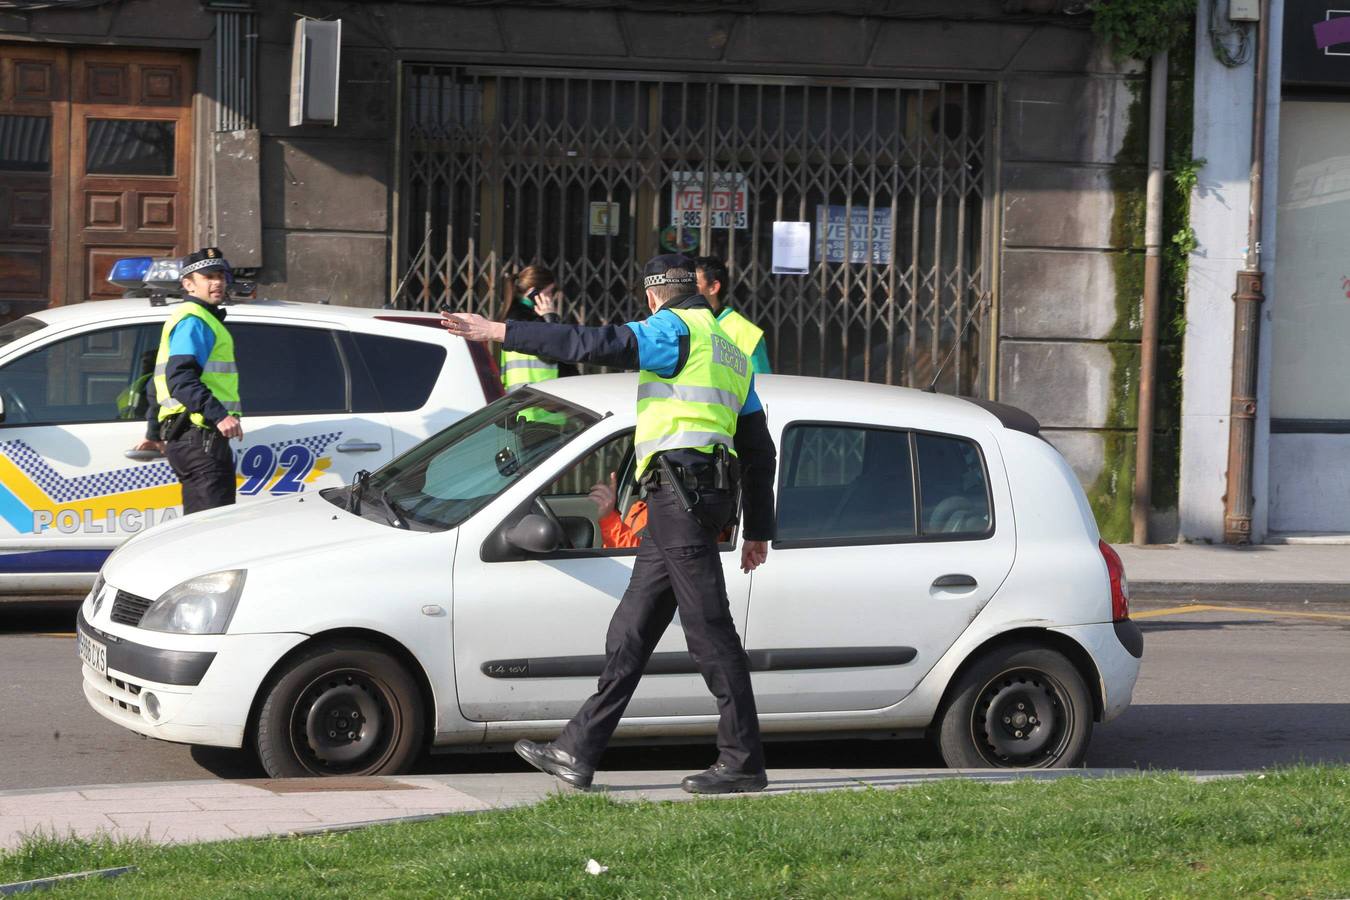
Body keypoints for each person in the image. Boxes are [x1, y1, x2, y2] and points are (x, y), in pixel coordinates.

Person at [441, 253, 777, 795]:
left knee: (709, 628)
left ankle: (742, 760)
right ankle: (577, 749)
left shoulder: (673, 329)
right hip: (697, 498)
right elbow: (760, 451)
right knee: (632, 630)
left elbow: (589, 344)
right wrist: (757, 527)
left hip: (678, 495)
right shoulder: (730, 349)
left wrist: (497, 329)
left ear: (652, 296)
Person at [153, 247, 243, 513]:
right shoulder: (195, 321)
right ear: (188, 284)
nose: (218, 282)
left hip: (188, 438)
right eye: (209, 277)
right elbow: (179, 378)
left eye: (222, 276)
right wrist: (220, 415)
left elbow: (153, 381)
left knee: (198, 527)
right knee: (210, 530)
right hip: (200, 438)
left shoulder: (195, 319)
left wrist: (151, 430)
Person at [497, 264, 577, 390]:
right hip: (543, 397)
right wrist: (551, 317)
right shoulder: (527, 320)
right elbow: (555, 348)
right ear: (533, 293)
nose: (551, 297)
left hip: (522, 396)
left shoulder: (511, 318)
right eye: (549, 292)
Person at [694, 256, 771, 374]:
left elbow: (761, 384)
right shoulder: (678, 323)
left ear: (713, 287)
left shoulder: (746, 333)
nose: (685, 291)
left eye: (693, 286)